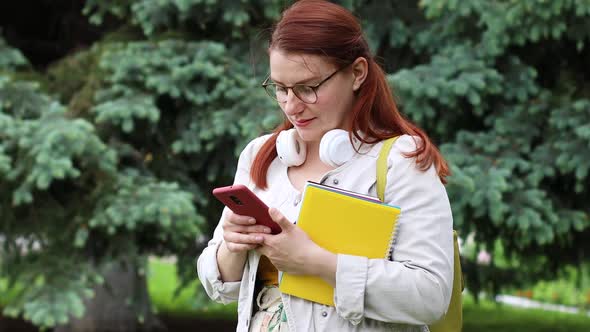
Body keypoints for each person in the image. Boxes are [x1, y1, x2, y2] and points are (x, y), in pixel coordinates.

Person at [197, 1, 454, 331]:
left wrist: (315, 262)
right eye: (280, 88)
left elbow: (429, 296)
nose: (292, 106)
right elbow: (218, 285)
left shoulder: (400, 161)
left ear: (357, 73)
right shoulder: (262, 156)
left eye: (308, 87)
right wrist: (233, 245)